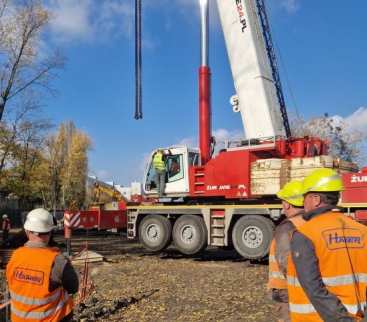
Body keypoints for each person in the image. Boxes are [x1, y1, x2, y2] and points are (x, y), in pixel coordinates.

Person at [287, 168, 367, 321]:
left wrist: (342, 319)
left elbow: (313, 287)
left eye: (305, 198)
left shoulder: (305, 234)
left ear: (316, 199)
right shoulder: (362, 231)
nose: (303, 203)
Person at [6, 208, 79, 322]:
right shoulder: (57, 261)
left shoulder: (15, 256)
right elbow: (73, 287)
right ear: (50, 232)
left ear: (27, 231)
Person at [268, 180, 305, 322]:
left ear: (287, 204)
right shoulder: (313, 223)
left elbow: (286, 264)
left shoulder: (287, 228)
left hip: (287, 290)